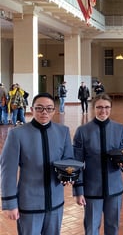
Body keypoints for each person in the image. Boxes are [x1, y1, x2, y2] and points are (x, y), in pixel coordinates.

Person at [0, 92, 74, 235]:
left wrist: (68, 175)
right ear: (32, 109)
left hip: (56, 203)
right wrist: (10, 204)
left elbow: (68, 160)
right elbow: (7, 171)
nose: (44, 112)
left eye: (49, 108)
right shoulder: (17, 134)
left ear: (54, 111)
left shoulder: (63, 132)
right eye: (39, 108)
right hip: (29, 204)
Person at [73, 93, 123, 235]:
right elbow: (77, 163)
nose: (103, 111)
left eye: (106, 107)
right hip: (92, 189)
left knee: (113, 226)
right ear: (93, 108)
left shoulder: (120, 129)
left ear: (111, 108)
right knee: (91, 228)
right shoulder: (82, 131)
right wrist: (78, 190)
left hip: (114, 188)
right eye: (99, 107)